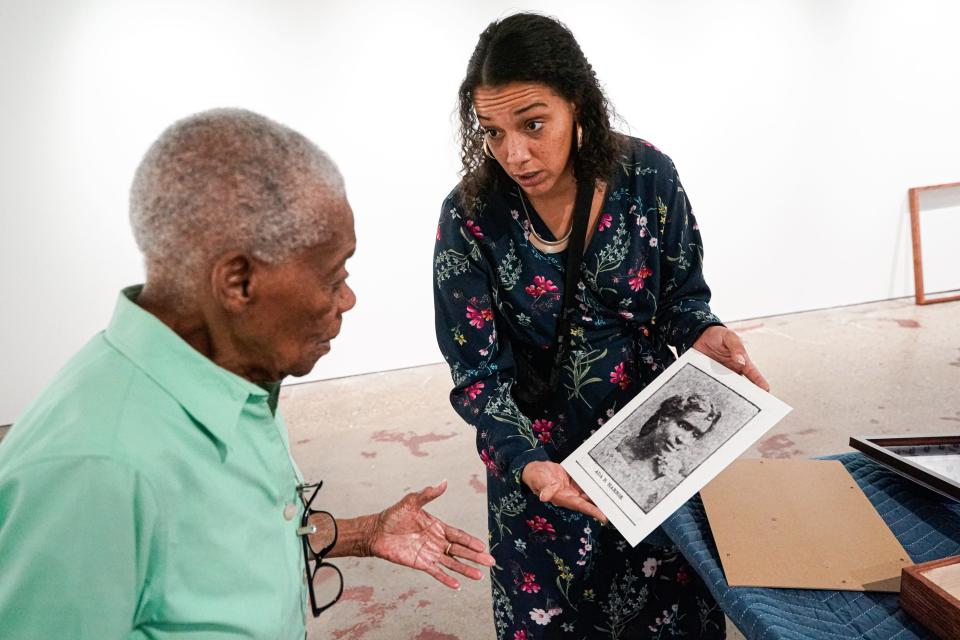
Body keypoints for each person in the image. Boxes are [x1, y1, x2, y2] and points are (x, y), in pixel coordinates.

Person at [0, 108, 494, 638]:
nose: (348, 300)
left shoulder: (234, 381)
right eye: (333, 277)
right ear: (237, 283)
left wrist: (363, 532)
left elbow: (217, 541)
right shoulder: (93, 468)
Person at [433, 13, 768, 639]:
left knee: (672, 616)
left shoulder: (648, 179)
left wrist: (705, 333)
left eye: (533, 124)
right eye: (493, 132)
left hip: (657, 450)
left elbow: (683, 301)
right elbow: (476, 376)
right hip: (540, 472)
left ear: (578, 104)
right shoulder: (472, 216)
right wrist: (528, 464)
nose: (515, 153)